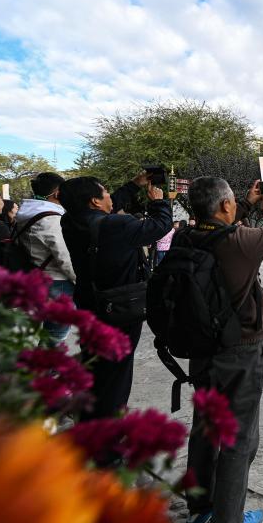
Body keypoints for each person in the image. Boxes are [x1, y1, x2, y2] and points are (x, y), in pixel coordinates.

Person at [184, 176, 263, 523]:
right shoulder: (239, 242)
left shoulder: (185, 237)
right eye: (232, 201)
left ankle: (201, 510)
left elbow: (220, 222)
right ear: (224, 206)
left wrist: (244, 203)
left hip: (201, 347)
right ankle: (228, 519)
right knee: (239, 438)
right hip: (240, 351)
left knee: (204, 428)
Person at [59, 172, 172, 419]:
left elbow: (105, 210)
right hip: (119, 308)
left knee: (95, 365)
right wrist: (158, 202)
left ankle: (87, 418)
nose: (111, 195)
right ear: (95, 201)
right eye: (106, 192)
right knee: (116, 376)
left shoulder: (69, 221)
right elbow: (160, 226)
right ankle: (107, 442)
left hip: (89, 302)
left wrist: (133, 185)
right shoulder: (116, 225)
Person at [15, 172, 76, 344]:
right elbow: (64, 257)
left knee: (49, 326)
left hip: (39, 274)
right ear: (58, 193)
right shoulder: (50, 219)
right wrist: (79, 280)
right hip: (58, 281)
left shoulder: (28, 213)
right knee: (57, 330)